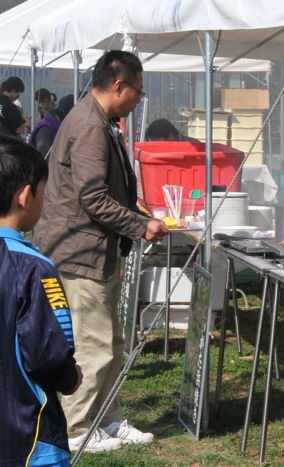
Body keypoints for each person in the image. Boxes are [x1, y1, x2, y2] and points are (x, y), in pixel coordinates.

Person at [33, 50, 169, 452]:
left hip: (92, 249)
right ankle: (77, 429)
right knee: (93, 344)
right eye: (138, 93)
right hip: (80, 253)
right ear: (118, 85)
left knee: (109, 342)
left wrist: (132, 204)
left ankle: (106, 419)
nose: (138, 101)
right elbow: (92, 197)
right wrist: (140, 224)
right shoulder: (91, 125)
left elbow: (101, 188)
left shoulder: (98, 119)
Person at [0, 137, 83, 466]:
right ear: (25, 195)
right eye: (43, 192)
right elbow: (48, 355)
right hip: (28, 440)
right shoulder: (34, 267)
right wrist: (70, 377)